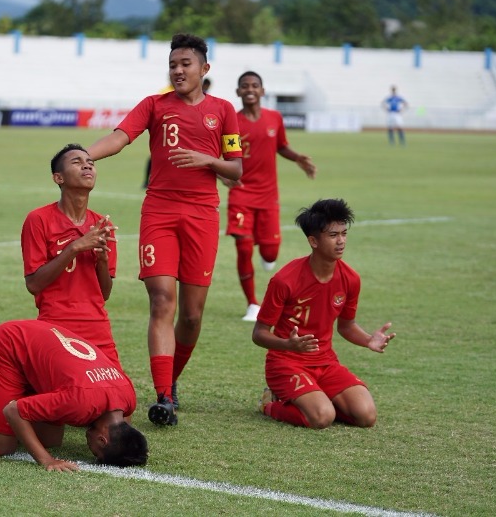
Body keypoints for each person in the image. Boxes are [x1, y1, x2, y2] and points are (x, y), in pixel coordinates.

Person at [87, 33, 243, 426]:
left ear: (204, 69)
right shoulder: (154, 105)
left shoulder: (223, 110)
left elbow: (236, 170)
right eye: (173, 64)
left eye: (185, 64)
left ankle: (171, 379)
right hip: (159, 212)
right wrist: (82, 155)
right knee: (161, 301)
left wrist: (207, 160)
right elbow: (120, 137)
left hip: (202, 217)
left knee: (191, 316)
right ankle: (163, 397)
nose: (177, 70)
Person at [0, 319, 148, 471]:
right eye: (95, 451)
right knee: (1, 444)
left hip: (37, 341)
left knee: (50, 439)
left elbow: (123, 429)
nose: (89, 448)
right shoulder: (79, 403)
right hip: (9, 345)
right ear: (102, 440)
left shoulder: (127, 398)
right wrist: (46, 460)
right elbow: (13, 411)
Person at [251, 198, 396, 429]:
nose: (341, 241)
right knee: (321, 417)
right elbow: (259, 334)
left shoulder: (350, 279)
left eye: (344, 233)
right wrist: (288, 345)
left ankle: (317, 398)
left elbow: (346, 326)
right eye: (333, 235)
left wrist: (369, 340)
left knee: (366, 416)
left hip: (326, 362)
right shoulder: (284, 280)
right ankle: (269, 404)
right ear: (313, 241)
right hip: (286, 363)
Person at [224, 71, 317, 323]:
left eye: (255, 85)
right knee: (244, 247)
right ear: (238, 92)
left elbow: (281, 146)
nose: (250, 89)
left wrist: (297, 158)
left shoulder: (274, 118)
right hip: (241, 194)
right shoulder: (233, 122)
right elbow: (225, 157)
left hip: (268, 196)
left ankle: (267, 256)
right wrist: (223, 176)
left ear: (262, 91)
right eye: (245, 86)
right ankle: (252, 304)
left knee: (270, 253)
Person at [21, 144, 121, 367]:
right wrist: (74, 248)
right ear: (59, 178)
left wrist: (102, 261)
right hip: (56, 325)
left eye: (90, 163)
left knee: (120, 390)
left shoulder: (103, 226)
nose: (87, 166)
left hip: (98, 326)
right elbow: (34, 284)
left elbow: (104, 293)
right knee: (72, 387)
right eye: (77, 162)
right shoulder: (38, 220)